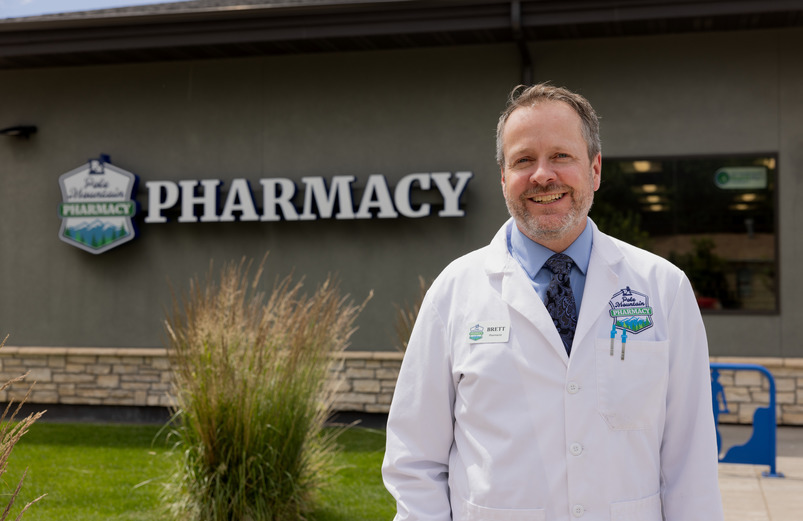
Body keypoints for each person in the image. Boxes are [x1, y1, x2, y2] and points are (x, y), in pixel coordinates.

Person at [382, 83, 723, 521]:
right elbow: (415, 460)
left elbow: (690, 460)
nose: (543, 175)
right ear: (504, 177)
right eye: (524, 160)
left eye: (561, 156)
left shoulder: (664, 289)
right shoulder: (453, 293)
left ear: (595, 170)